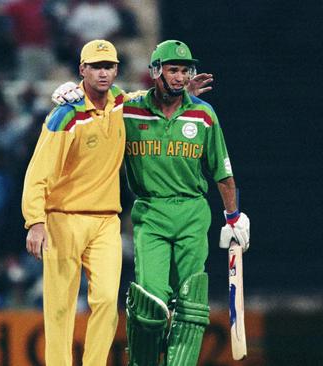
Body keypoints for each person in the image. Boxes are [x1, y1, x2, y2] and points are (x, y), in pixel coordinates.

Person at [120, 40, 249, 366]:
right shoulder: (129, 112)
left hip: (193, 211)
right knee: (150, 305)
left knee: (191, 303)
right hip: (151, 212)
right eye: (172, 70)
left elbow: (221, 170)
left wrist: (233, 217)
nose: (179, 77)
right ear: (155, 71)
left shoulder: (203, 115)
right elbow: (96, 109)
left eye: (183, 71)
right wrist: (73, 95)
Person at [22, 39, 127, 366]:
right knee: (59, 308)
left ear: (116, 70)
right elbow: (38, 172)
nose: (103, 73)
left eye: (108, 66)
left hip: (106, 221)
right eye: (95, 66)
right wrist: (35, 221)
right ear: (82, 69)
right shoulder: (64, 116)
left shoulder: (123, 104)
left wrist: (181, 93)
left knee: (108, 301)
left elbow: (152, 100)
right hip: (63, 219)